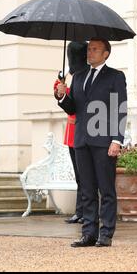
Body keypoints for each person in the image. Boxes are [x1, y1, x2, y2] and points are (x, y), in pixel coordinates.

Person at [56, 38, 127, 248]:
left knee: (106, 189)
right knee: (86, 189)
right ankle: (88, 233)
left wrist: (117, 139)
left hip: (104, 141)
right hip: (81, 141)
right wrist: (61, 96)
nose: (90, 52)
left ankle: (106, 234)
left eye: (95, 49)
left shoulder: (115, 76)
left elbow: (119, 109)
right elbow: (73, 108)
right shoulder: (79, 76)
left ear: (106, 53)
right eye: (89, 49)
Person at [53, 41, 89, 224]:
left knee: (84, 175)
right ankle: (80, 210)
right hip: (72, 131)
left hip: (82, 129)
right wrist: (60, 89)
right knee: (79, 176)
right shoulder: (70, 74)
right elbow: (65, 99)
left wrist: (64, 91)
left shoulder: (84, 75)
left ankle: (83, 211)